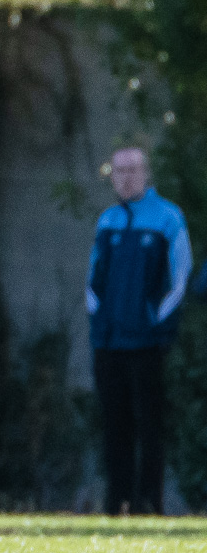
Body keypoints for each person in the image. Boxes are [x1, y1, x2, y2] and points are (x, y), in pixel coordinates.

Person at [87, 145, 191, 515]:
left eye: (132, 170)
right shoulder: (108, 221)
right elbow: (93, 282)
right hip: (110, 342)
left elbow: (179, 280)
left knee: (150, 425)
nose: (126, 177)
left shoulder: (167, 218)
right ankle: (117, 501)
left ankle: (149, 502)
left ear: (147, 174)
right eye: (119, 171)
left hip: (148, 343)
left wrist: (153, 321)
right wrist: (101, 323)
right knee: (114, 424)